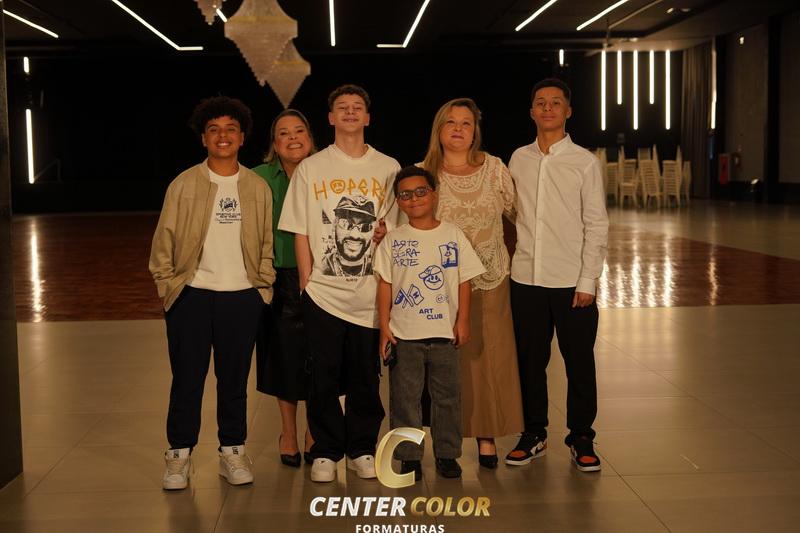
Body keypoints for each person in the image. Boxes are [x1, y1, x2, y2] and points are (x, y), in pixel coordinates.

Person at [149, 96, 276, 489]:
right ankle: (179, 455)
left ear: (242, 137)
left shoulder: (256, 186)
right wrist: (170, 288)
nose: (223, 136)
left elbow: (266, 242)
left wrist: (262, 286)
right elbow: (163, 243)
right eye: (214, 130)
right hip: (192, 296)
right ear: (204, 138)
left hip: (242, 296)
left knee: (234, 380)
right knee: (187, 378)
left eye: (231, 129)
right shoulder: (184, 184)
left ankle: (232, 451)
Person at [279, 84, 400, 483]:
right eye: (342, 107)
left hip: (370, 292)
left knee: (366, 373)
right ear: (331, 118)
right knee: (323, 374)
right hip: (323, 293)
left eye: (357, 107)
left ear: (367, 117)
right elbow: (299, 228)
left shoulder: (388, 167)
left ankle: (362, 448)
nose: (350, 112)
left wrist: (385, 236)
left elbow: (396, 228)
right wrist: (306, 281)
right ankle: (326, 450)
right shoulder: (312, 168)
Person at [506, 78, 609, 472]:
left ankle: (581, 437)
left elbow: (596, 224)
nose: (547, 108)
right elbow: (511, 212)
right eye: (540, 102)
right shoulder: (518, 158)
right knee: (530, 363)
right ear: (531, 111)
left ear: (568, 111)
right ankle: (534, 433)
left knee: (578, 363)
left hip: (571, 282)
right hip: (526, 279)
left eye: (555, 102)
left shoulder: (584, 162)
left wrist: (588, 280)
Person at [421, 97, 524, 468]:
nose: (459, 129)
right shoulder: (423, 174)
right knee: (446, 366)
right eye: (451, 122)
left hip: (490, 278)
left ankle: (487, 436)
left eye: (466, 123)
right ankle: (444, 441)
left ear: (475, 131)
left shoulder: (494, 168)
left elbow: (521, 216)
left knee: (488, 360)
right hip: (440, 286)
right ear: (439, 129)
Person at [374, 166, 485, 480]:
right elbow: (385, 284)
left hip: (444, 334)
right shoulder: (393, 240)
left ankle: (447, 454)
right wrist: (384, 327)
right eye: (406, 195)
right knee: (405, 400)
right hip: (404, 335)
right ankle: (409, 457)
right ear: (399, 201)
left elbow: (464, 280)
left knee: (447, 397)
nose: (414, 199)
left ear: (434, 195)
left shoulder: (452, 235)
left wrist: (463, 320)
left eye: (421, 191)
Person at [252, 109, 316, 467]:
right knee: (283, 357)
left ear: (310, 138)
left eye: (299, 131)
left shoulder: (326, 172)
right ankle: (288, 433)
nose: (293, 138)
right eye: (284, 133)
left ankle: (313, 431)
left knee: (319, 356)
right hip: (277, 277)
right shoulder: (257, 177)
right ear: (274, 145)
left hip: (323, 276)